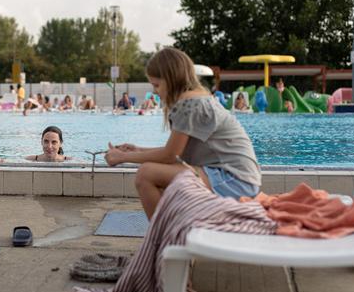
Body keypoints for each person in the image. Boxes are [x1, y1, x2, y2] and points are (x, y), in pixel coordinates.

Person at [105, 47, 261, 219]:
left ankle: (164, 237)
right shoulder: (196, 98)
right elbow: (177, 152)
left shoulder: (190, 103)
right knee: (159, 173)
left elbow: (170, 156)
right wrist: (138, 150)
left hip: (234, 180)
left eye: (156, 85)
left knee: (146, 174)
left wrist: (121, 158)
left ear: (171, 79)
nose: (155, 91)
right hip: (237, 177)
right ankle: (175, 230)